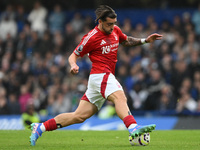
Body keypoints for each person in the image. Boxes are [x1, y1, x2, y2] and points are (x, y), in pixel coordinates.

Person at [29, 5, 162, 146]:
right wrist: (73, 65)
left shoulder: (115, 30)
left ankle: (40, 127)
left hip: (100, 79)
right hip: (100, 75)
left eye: (114, 23)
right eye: (109, 24)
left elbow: (126, 40)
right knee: (120, 96)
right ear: (100, 22)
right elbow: (73, 55)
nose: (112, 27)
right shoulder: (91, 37)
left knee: (78, 116)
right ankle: (133, 127)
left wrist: (145, 41)